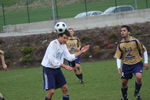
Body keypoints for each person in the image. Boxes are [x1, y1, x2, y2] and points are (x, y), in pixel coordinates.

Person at [41, 30, 90, 100]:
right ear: (59, 36)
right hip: (49, 69)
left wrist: (81, 52)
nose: (66, 40)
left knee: (65, 88)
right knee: (51, 92)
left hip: (57, 69)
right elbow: (51, 59)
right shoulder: (53, 44)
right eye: (64, 38)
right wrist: (65, 66)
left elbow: (69, 57)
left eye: (67, 38)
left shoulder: (63, 45)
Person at [114, 25, 149, 100]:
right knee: (124, 82)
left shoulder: (135, 41)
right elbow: (118, 56)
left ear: (129, 32)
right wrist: (119, 67)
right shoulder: (120, 44)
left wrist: (146, 62)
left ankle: (136, 93)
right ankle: (124, 97)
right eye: (121, 31)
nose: (122, 32)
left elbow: (144, 50)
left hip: (137, 63)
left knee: (139, 76)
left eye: (124, 30)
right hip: (126, 65)